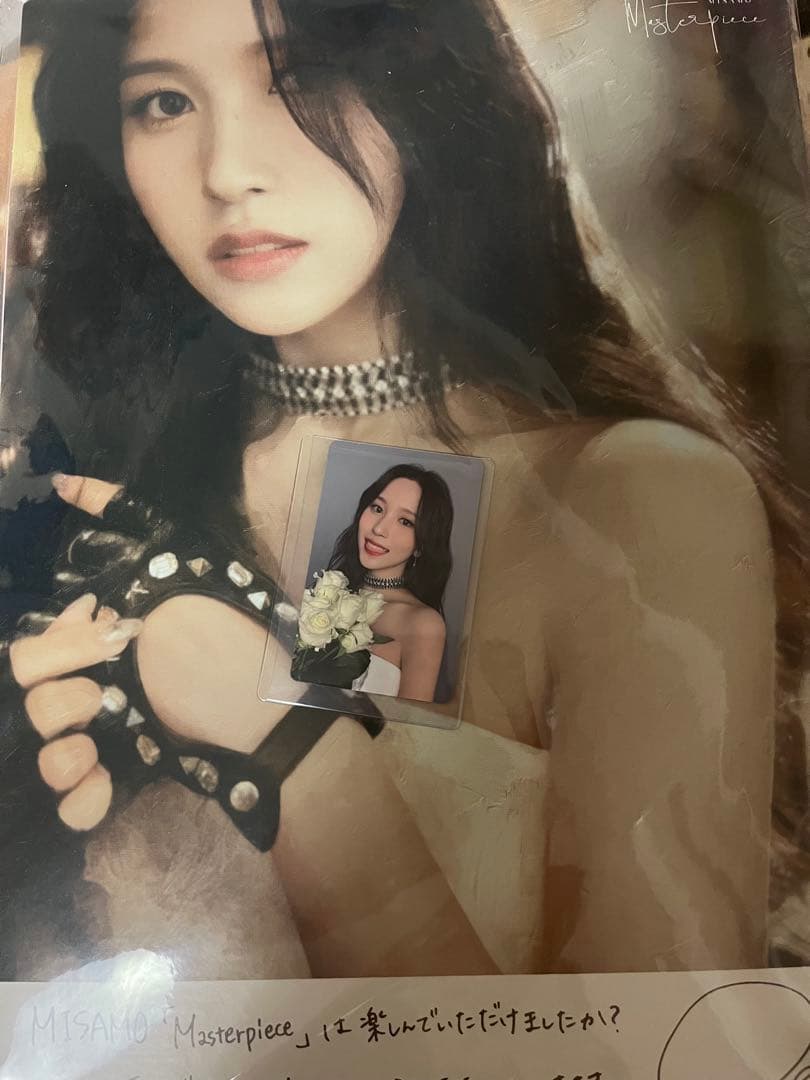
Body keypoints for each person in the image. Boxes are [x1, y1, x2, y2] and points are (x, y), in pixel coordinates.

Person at [0, 0, 806, 979]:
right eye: (163, 102)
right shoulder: (94, 489)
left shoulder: (636, 497)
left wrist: (289, 748)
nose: (226, 171)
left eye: (297, 78)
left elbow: (668, 1044)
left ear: (424, 82)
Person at [324, 463, 452, 702]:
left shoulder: (423, 624)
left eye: (405, 521)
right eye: (377, 508)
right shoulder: (327, 593)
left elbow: (408, 722)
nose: (379, 528)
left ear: (422, 544)